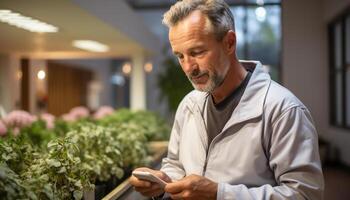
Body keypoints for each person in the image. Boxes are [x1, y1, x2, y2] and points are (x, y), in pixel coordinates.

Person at [129, 0, 324, 199]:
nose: (189, 68)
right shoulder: (189, 104)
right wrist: (163, 181)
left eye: (197, 52)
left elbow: (305, 194)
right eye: (180, 56)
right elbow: (176, 164)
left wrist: (219, 194)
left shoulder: (283, 109)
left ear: (229, 43)